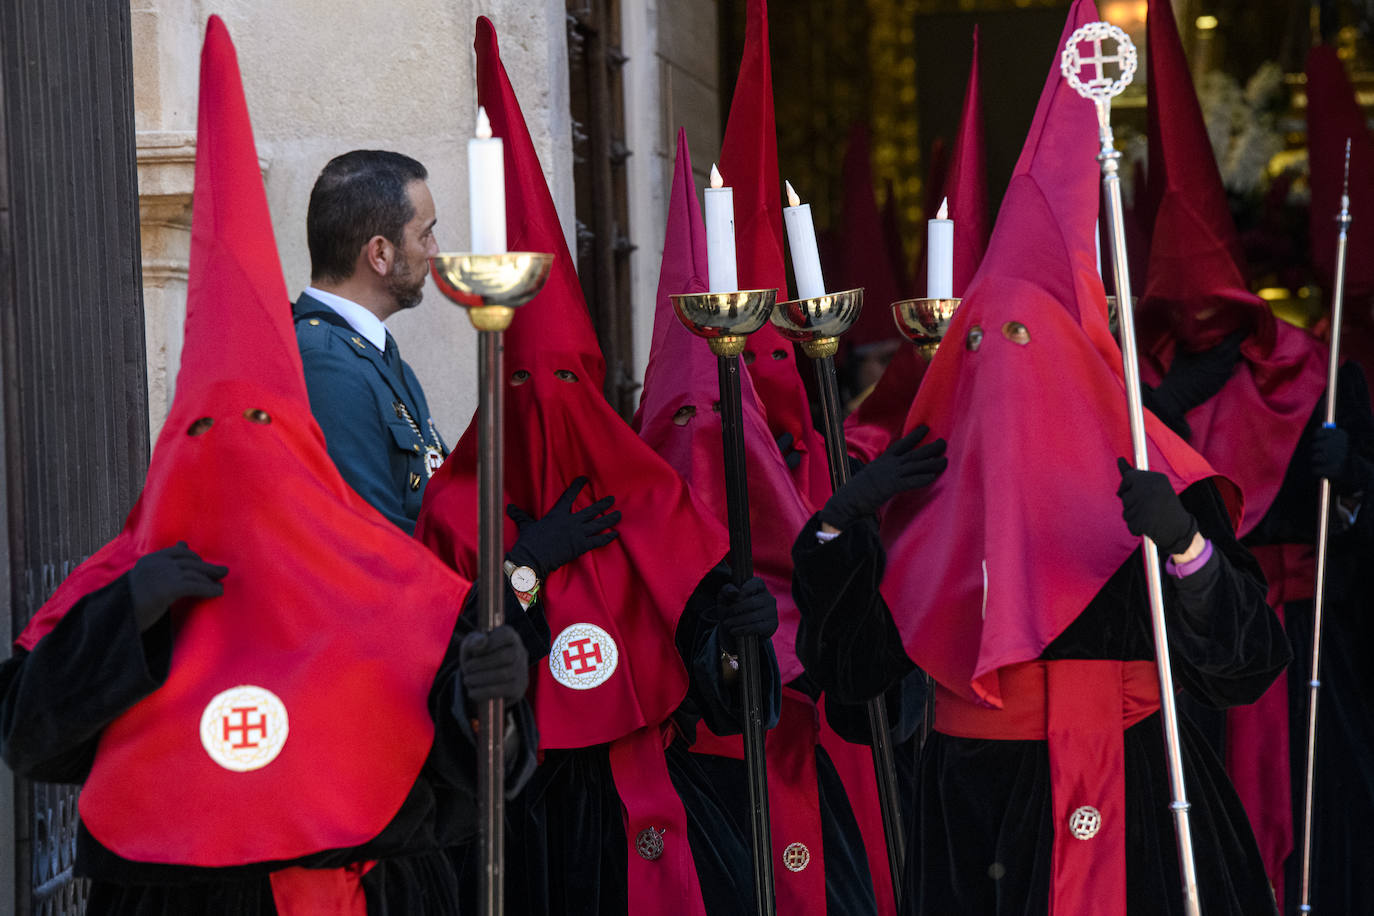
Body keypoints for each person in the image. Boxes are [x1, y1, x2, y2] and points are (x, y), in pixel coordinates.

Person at [0, 20, 533, 914]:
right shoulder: (134, 581)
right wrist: (128, 615)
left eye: (261, 425)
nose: (239, 453)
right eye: (209, 429)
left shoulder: (389, 585)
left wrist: (499, 710)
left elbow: (464, 780)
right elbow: (29, 735)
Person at [794, 3, 1288, 913]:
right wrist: (837, 528)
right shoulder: (929, 490)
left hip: (1143, 810)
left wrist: (1185, 549)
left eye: (1026, 340)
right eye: (978, 346)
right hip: (975, 821)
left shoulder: (1158, 478)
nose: (1000, 367)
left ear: (1076, 362)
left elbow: (1247, 666)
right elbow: (856, 685)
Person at [416, 20, 781, 916]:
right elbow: (439, 687)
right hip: (523, 822)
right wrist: (527, 566)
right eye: (531, 382)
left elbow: (719, 682)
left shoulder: (649, 499)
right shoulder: (456, 513)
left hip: (660, 805)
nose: (555, 402)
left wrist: (741, 641)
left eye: (573, 379)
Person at [293, 148, 446, 533]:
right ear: (380, 253)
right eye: (425, 234)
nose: (434, 251)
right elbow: (372, 537)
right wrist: (519, 571)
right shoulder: (325, 365)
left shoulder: (376, 356)